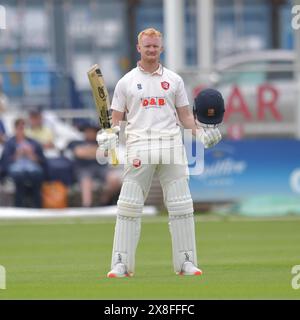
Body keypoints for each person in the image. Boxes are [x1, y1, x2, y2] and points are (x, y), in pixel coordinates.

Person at [96, 28, 223, 278]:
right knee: (129, 206)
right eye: (147, 46)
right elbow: (116, 120)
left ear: (161, 48)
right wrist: (108, 135)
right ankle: (120, 263)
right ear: (138, 47)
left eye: (155, 46)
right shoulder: (126, 82)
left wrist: (201, 133)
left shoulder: (174, 80)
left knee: (181, 206)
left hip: (171, 145)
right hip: (139, 146)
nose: (151, 50)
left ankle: (186, 261)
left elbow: (185, 116)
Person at [67, 121, 121, 207]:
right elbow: (79, 153)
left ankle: (104, 201)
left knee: (114, 179)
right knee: (86, 180)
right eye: (88, 131)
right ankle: (87, 205)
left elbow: (105, 153)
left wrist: (88, 152)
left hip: (100, 168)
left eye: (92, 131)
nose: (90, 133)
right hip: (84, 168)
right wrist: (95, 152)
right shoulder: (76, 142)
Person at [0, 118, 47, 208]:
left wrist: (31, 155)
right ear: (15, 128)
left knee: (37, 175)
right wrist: (17, 154)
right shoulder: (10, 143)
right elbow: (5, 162)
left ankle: (37, 206)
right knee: (19, 176)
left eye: (23, 127)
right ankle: (19, 206)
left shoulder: (33, 142)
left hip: (32, 167)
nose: (21, 130)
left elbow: (42, 161)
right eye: (19, 127)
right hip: (16, 168)